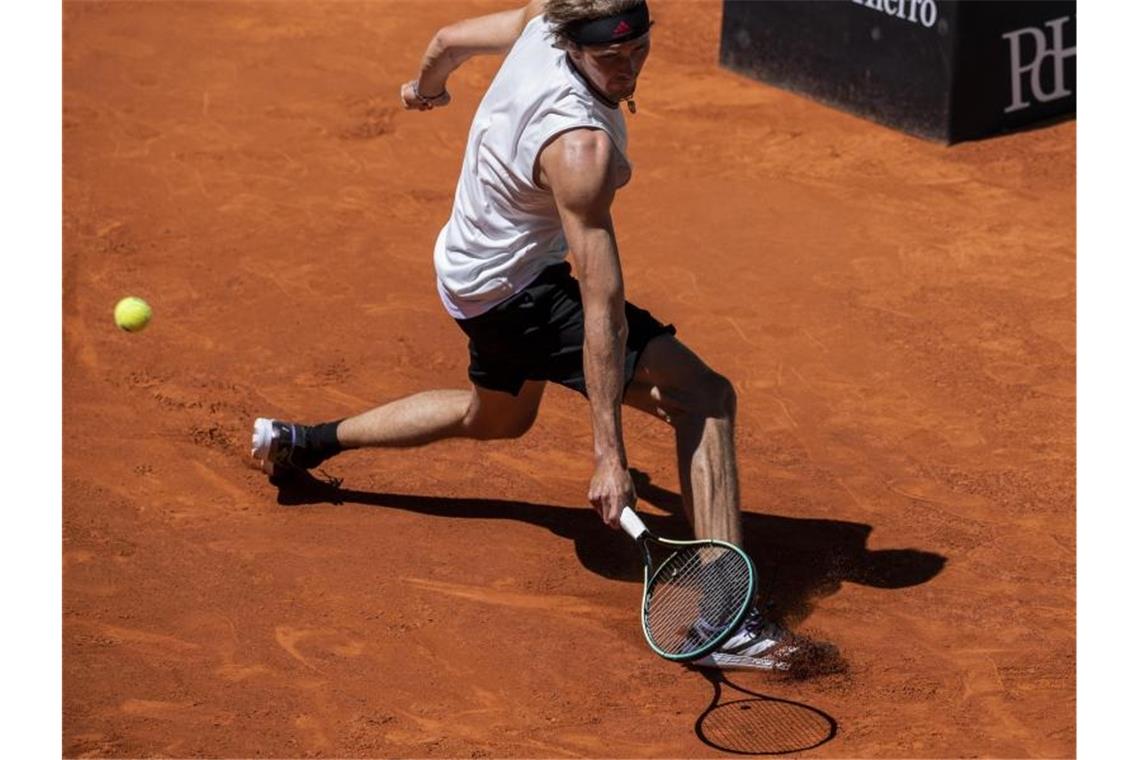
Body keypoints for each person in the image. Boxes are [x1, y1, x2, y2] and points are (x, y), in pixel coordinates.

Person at [250, 0, 797, 670]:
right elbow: (602, 305)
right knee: (704, 396)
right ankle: (726, 621)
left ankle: (304, 442)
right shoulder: (580, 150)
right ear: (574, 46)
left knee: (497, 418)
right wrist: (608, 456)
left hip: (467, 271)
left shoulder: (542, 22)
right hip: (519, 295)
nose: (627, 70)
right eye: (610, 59)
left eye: (640, 51)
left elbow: (446, 40)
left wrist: (426, 91)